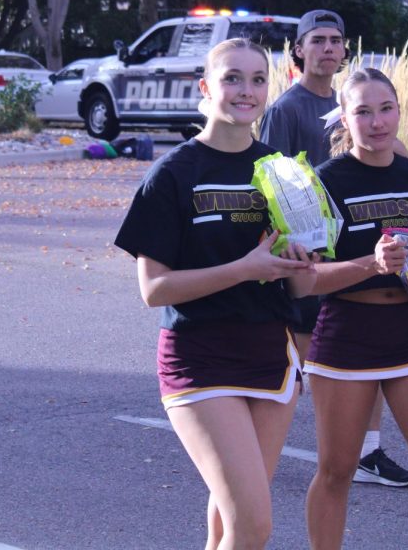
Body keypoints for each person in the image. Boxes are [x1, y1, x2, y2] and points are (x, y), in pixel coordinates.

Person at [115, 38, 314, 550]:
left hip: (270, 357)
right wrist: (243, 269)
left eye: (257, 79)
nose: (245, 91)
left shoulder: (282, 170)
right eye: (231, 78)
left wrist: (323, 262)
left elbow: (301, 282)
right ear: (205, 87)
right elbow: (154, 289)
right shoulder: (173, 174)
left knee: (227, 525)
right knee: (254, 525)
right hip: (199, 359)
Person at [286, 67, 408, 550]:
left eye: (386, 109)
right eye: (362, 111)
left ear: (399, 111)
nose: (377, 121)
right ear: (343, 118)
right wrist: (370, 264)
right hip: (345, 336)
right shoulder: (322, 182)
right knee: (337, 470)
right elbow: (303, 283)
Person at [259, 9, 408, 489]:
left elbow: (390, 159)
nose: (329, 48)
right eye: (318, 40)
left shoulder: (357, 100)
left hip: (363, 257)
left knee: (365, 359)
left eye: (336, 40)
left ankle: (365, 452)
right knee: (322, 366)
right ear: (299, 50)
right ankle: (287, 451)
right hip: (315, 260)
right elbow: (272, 179)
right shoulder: (286, 109)